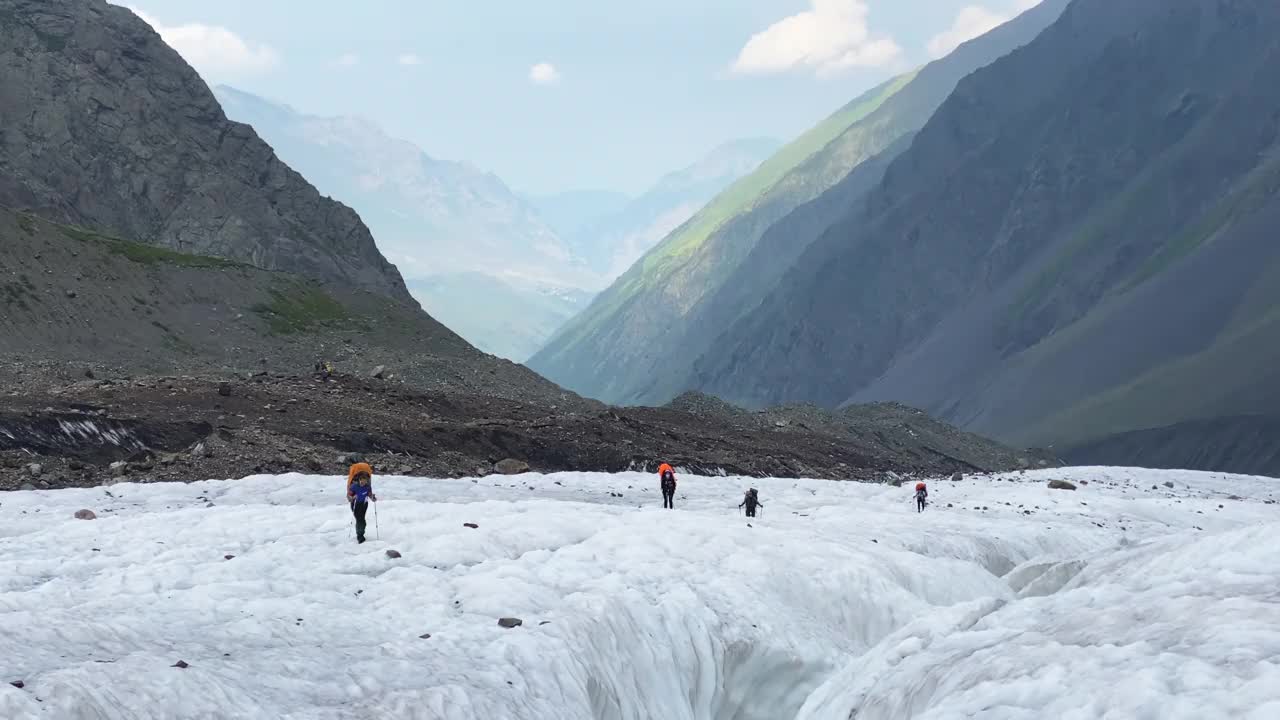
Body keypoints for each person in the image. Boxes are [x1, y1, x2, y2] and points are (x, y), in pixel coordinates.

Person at [347, 462, 378, 543]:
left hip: (364, 505)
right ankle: (360, 536)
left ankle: (360, 534)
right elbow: (349, 497)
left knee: (362, 519)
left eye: (364, 481)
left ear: (366, 481)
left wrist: (373, 498)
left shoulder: (367, 487)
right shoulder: (354, 486)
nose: (362, 483)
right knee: (361, 520)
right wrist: (353, 497)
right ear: (359, 479)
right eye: (361, 481)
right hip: (355, 505)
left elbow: (369, 494)